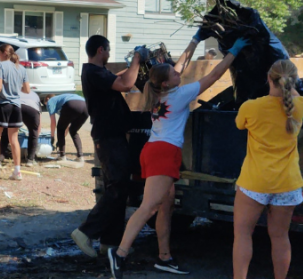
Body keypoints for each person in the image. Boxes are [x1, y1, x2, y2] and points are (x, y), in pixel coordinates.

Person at [107, 35, 250, 278]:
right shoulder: (179, 95)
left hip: (153, 150)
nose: (178, 74)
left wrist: (195, 41)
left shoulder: (157, 94)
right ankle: (119, 253)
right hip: (164, 152)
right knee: (148, 207)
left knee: (166, 204)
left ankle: (165, 257)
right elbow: (214, 76)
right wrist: (233, 52)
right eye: (173, 75)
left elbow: (178, 66)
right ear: (166, 83)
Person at [70, 35, 147, 258]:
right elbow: (126, 84)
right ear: (101, 50)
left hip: (111, 136)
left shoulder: (96, 73)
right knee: (117, 186)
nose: (110, 53)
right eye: (109, 50)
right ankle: (85, 232)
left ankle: (110, 243)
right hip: (109, 137)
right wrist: (137, 59)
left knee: (118, 188)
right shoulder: (93, 72)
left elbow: (117, 78)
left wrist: (132, 66)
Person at [233, 60, 303, 279]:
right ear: (293, 81)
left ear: (268, 78)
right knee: (280, 237)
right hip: (287, 183)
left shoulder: (251, 107)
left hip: (254, 183)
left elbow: (239, 125)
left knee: (243, 234)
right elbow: (291, 95)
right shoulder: (301, 105)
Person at [0, 43, 30, 182]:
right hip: (16, 106)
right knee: (14, 139)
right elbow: (27, 90)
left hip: (3, 105)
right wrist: (15, 88)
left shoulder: (0, 66)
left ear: (4, 53)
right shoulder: (21, 68)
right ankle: (17, 171)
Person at [0, 89, 42, 166]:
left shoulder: (15, 91)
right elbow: (39, 116)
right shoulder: (35, 94)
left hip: (16, 106)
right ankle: (30, 160)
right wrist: (36, 132)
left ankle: (0, 158)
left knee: (6, 132)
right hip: (32, 109)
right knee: (33, 133)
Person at [47, 93, 89, 161]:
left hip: (72, 103)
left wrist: (52, 137)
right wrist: (60, 140)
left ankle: (62, 156)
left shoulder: (50, 101)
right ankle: (80, 156)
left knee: (60, 128)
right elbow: (66, 125)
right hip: (86, 106)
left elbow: (53, 122)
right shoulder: (61, 101)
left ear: (47, 99)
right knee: (73, 130)